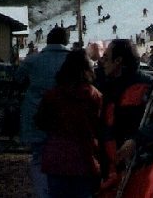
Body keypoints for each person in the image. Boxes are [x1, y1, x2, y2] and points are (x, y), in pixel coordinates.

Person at [98, 39, 153, 198]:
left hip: (141, 165)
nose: (102, 61)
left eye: (106, 57)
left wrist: (136, 140)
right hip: (109, 167)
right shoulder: (103, 84)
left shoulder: (149, 86)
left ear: (118, 61)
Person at [34, 49, 103, 198]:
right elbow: (100, 126)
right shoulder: (95, 96)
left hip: (56, 158)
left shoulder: (52, 95)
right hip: (85, 158)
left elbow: (41, 122)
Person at [16, 25, 71, 198]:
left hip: (35, 113)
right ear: (66, 41)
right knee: (64, 157)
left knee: (39, 158)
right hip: (66, 116)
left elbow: (18, 79)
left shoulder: (33, 60)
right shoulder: (72, 60)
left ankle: (43, 194)